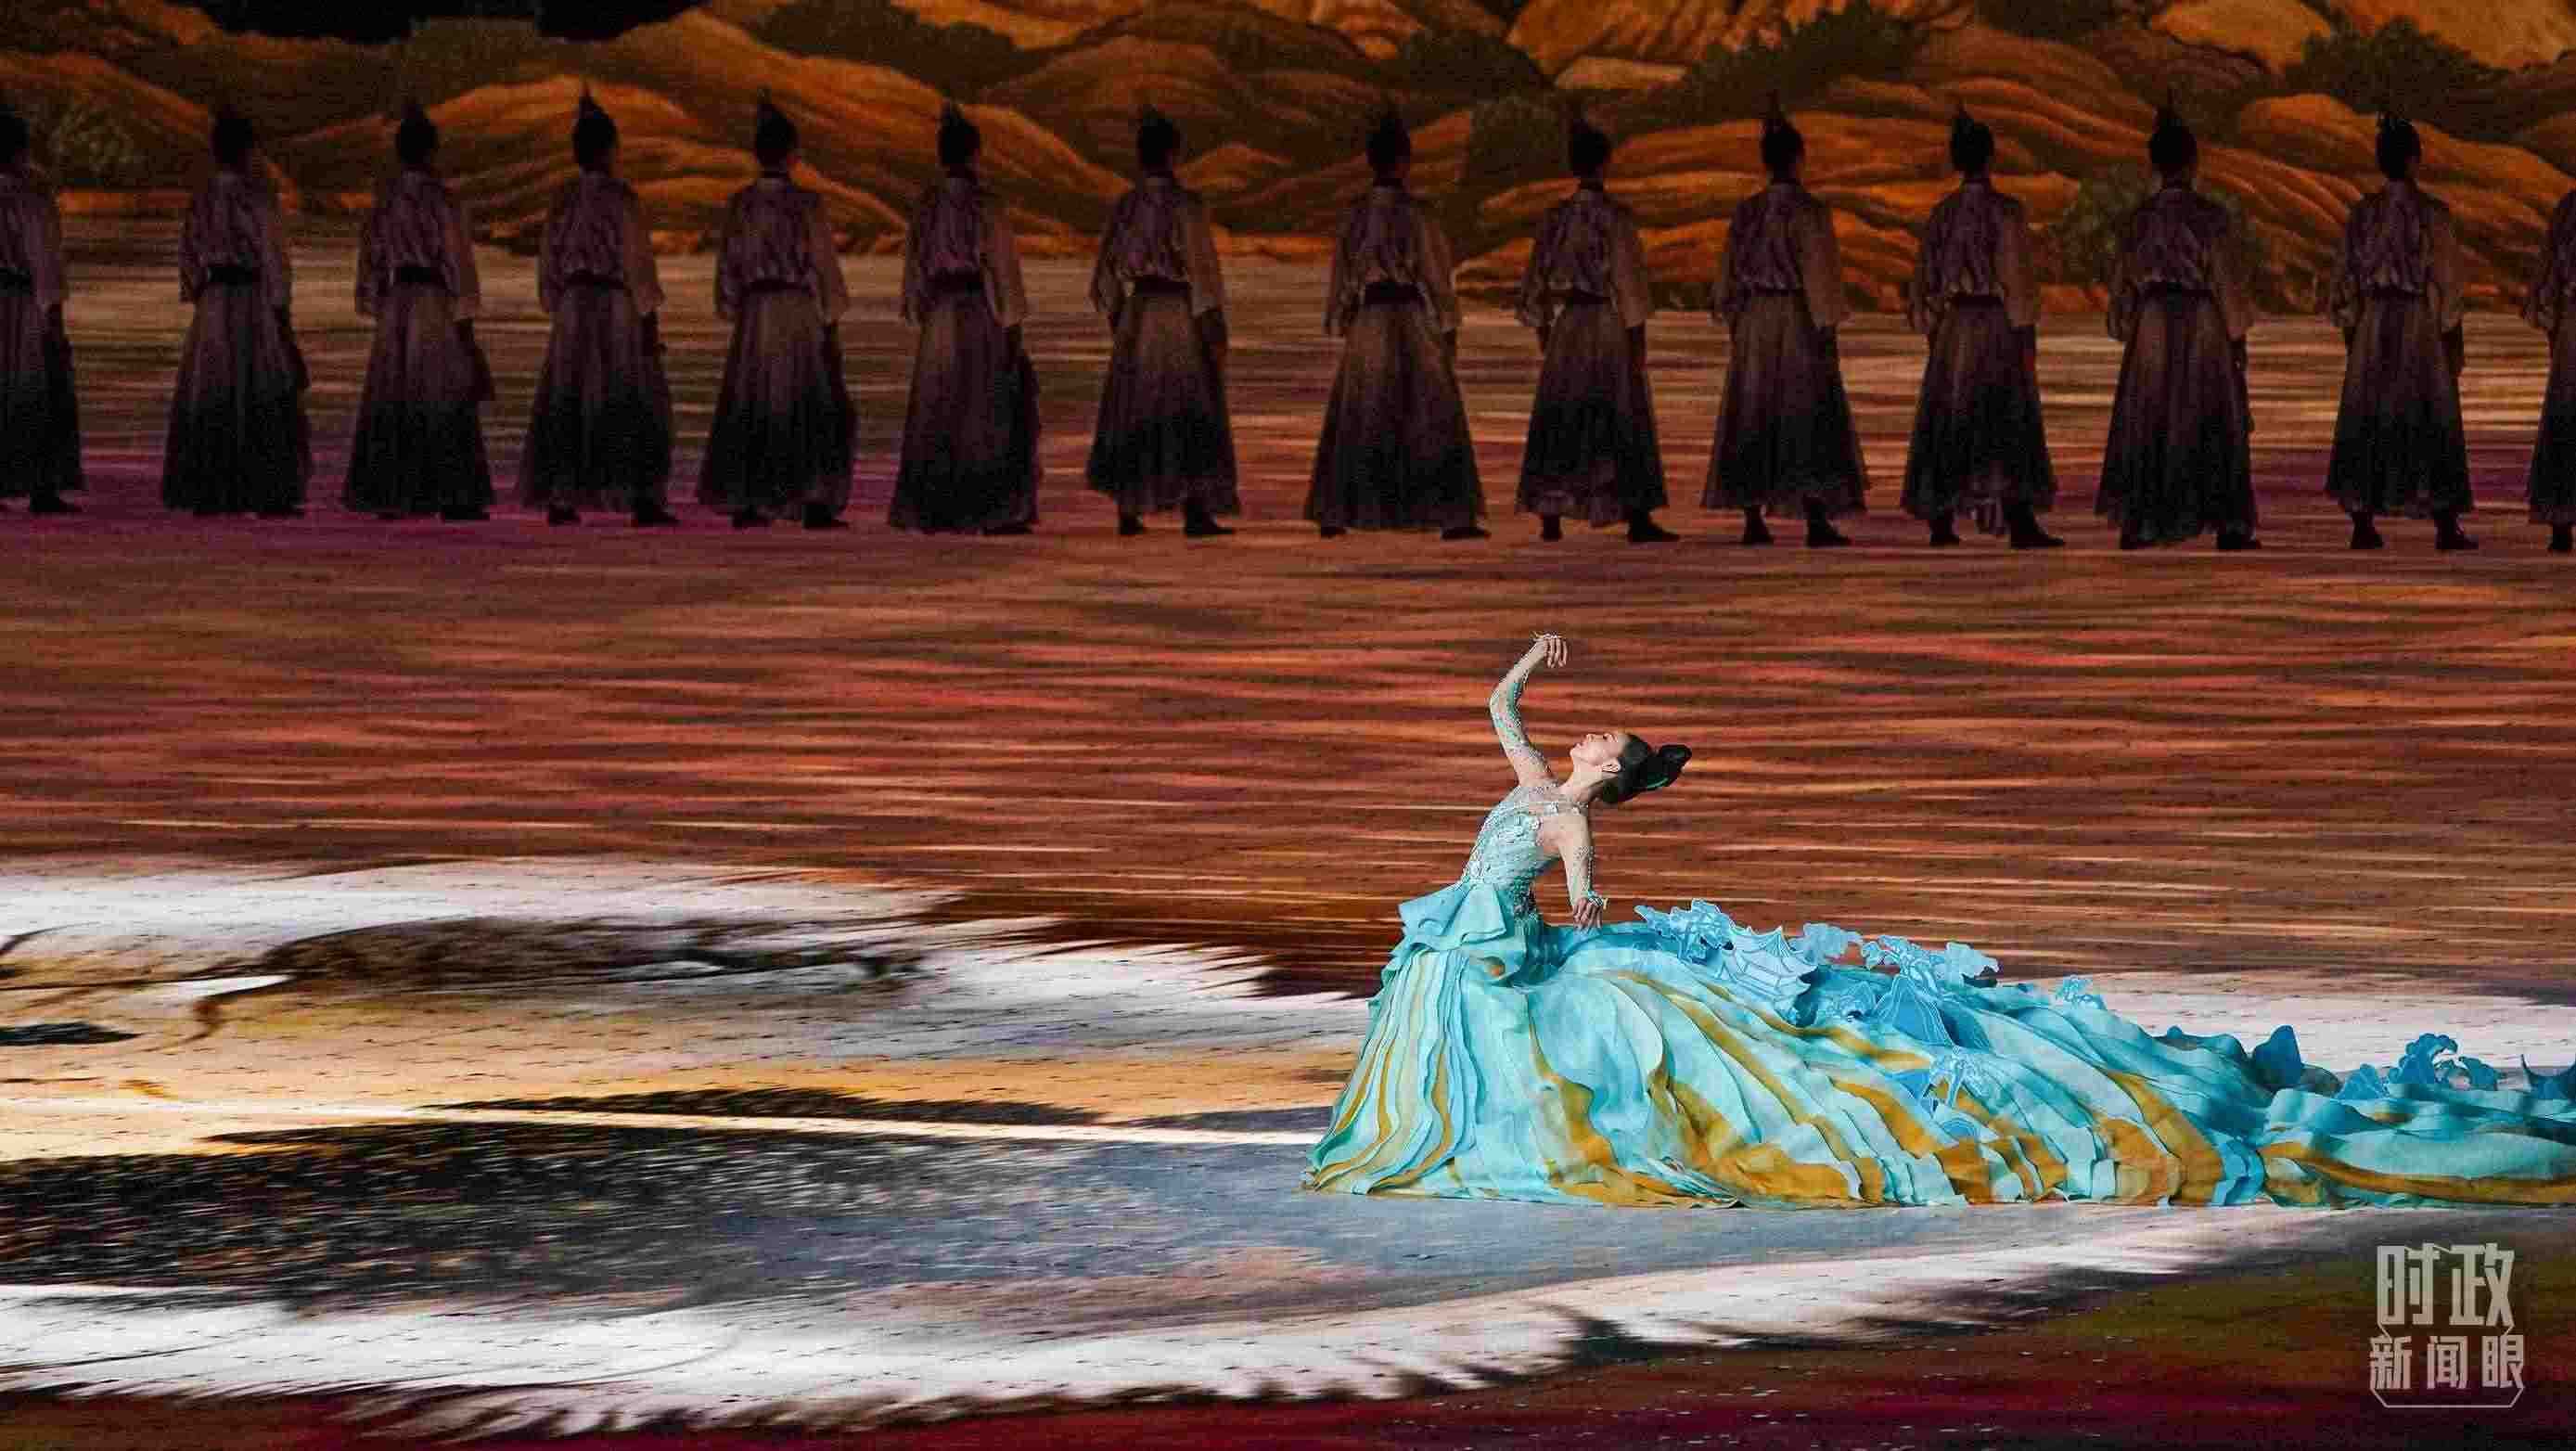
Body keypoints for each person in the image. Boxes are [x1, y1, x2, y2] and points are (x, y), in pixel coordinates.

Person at [1302, 633, 2576, 1209]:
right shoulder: (1538, 781)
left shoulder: (1568, 820)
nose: (1580, 733)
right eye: (1589, 727)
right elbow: (1496, 711)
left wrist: (1575, 926)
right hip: (1469, 931)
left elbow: (1581, 893)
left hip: (1491, 941)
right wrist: (1532, 661)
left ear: (1606, 770)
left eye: (1598, 737)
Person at [1306, 108, 1486, 541]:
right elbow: (1436, 278)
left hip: (1369, 318)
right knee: (1429, 409)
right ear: (1405, 161)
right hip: (1410, 317)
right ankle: (1450, 516)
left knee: (1361, 410)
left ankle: (1340, 512)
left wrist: (1343, 319)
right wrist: (1448, 329)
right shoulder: (1419, 215)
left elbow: (1342, 278)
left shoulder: (1355, 215)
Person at [2095, 97, 2260, 551]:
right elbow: (2226, 282)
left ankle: (2142, 523)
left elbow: (2122, 287)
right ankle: (2227, 525)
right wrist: (2237, 337)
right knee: (2211, 416)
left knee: (2149, 416)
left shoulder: (2138, 220)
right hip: (2202, 323)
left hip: (2152, 324)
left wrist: (2127, 324)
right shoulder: (2211, 217)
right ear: (2192, 163)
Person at [1705, 95, 1863, 548]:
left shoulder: (1747, 211)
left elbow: (1728, 275)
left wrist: (1736, 318)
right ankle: (1814, 518)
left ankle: (1753, 519)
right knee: (1806, 410)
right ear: (1798, 158)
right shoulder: (1810, 211)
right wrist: (1826, 326)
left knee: (1754, 409)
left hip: (1756, 319)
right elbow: (1820, 275)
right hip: (1796, 315)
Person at [1512, 111, 1675, 546]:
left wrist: (1543, 328)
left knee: (1563, 414)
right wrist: (1637, 335)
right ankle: (1635, 516)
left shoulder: (1555, 218)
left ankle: (1551, 515)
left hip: (1569, 324)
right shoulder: (1615, 218)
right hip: (1605, 321)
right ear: (1604, 163)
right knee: (1617, 414)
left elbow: (1535, 281)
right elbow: (1629, 282)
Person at [1901, 105, 2059, 549]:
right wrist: (2025, 334)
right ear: (1990, 157)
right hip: (1993, 324)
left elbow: (1925, 281)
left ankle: (1942, 521)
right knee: (2005, 416)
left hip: (1954, 328)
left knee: (1951, 416)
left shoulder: (1942, 214)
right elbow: (2018, 280)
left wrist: (1934, 328)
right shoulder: (2006, 212)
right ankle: (2019, 520)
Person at [520, 89, 678, 528]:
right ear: (609, 149)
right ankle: (640, 497)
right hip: (614, 304)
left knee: (570, 396)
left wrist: (559, 303)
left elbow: (548, 262)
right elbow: (637, 262)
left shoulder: (562, 198)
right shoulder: (622, 198)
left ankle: (563, 496)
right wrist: (648, 317)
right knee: (630, 395)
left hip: (574, 305)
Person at [699, 93, 855, 531]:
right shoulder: (808, 205)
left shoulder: (741, 204)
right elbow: (823, 265)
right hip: (798, 311)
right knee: (805, 399)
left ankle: (751, 499)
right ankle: (811, 500)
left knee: (755, 399)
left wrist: (734, 307)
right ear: (792, 153)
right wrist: (831, 315)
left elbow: (728, 268)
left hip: (756, 313)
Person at [1085, 105, 1238, 539]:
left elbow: (1104, 277)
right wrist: (1214, 327)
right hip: (1177, 312)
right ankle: (1195, 512)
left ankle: (1129, 510)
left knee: (1137, 405)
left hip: (1139, 313)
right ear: (1174, 154)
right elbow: (1203, 272)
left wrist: (1120, 319)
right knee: (1188, 405)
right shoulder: (1187, 206)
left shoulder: (1126, 206)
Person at [2326, 113, 2475, 551]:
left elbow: (2344, 279)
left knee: (2368, 412)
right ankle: (2444, 523)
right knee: (2429, 412)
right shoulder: (2432, 214)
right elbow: (2449, 281)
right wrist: (2450, 331)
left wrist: (2352, 327)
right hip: (2417, 322)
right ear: (2414, 159)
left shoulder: (2362, 215)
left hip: (2373, 322)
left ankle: (2363, 522)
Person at [890, 100, 1039, 535]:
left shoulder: (926, 206)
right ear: (975, 153)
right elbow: (1002, 268)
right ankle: (988, 509)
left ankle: (938, 508)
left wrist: (919, 308)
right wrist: (1012, 322)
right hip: (979, 312)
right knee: (984, 408)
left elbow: (914, 269)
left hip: (940, 316)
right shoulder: (986, 206)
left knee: (939, 407)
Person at [343, 99, 493, 522]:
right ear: (431, 149)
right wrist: (466, 330)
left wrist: (379, 304)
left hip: (398, 301)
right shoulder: (444, 202)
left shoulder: (385, 202)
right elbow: (459, 264)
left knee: (395, 394)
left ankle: (394, 492)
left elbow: (369, 263)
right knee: (442, 393)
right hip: (432, 300)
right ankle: (451, 493)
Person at [163, 108, 311, 518]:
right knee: (260, 388)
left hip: (214, 300)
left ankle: (212, 489)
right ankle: (265, 490)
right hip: (251, 298)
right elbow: (274, 258)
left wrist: (200, 292)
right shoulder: (258, 196)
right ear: (248, 150)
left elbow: (188, 255)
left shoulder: (203, 197)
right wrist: (282, 316)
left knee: (214, 388)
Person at [0, 96, 78, 517]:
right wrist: (53, 311)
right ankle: (40, 486)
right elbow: (44, 252)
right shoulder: (31, 188)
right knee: (37, 388)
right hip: (24, 302)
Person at [2522, 186, 2576, 554]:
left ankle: (2561, 523)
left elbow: (2548, 278)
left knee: (2565, 417)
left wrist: (2553, 329)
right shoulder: (2568, 208)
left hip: (2571, 328)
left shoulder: (2568, 208)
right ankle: (2560, 521)